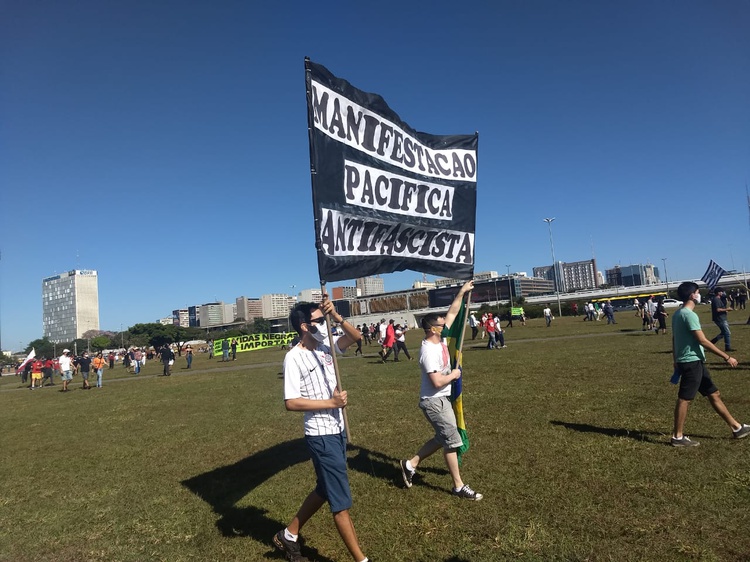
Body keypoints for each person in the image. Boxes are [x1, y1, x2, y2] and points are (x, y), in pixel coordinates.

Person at [273, 295, 371, 562]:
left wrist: (336, 316)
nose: (324, 324)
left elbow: (355, 337)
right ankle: (361, 559)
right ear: (305, 326)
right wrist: (331, 402)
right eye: (319, 320)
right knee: (340, 502)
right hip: (320, 433)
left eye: (325, 320)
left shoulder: (326, 345)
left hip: (337, 429)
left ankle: (289, 534)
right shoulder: (294, 358)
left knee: (325, 489)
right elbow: (290, 402)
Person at [399, 280, 483, 501]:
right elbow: (436, 381)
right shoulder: (429, 351)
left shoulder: (441, 339)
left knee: (442, 437)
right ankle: (458, 486)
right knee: (452, 441)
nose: (445, 323)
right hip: (433, 401)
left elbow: (453, 313)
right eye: (441, 323)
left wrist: (462, 292)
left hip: (441, 399)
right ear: (432, 329)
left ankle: (410, 464)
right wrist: (454, 376)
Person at [670, 281, 750, 446]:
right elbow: (702, 340)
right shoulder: (688, 315)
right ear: (693, 295)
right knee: (685, 399)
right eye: (698, 292)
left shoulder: (678, 314)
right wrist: (726, 357)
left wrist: (675, 359)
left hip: (693, 361)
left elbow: (674, 339)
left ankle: (736, 428)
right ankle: (677, 437)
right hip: (691, 362)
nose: (699, 295)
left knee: (714, 394)